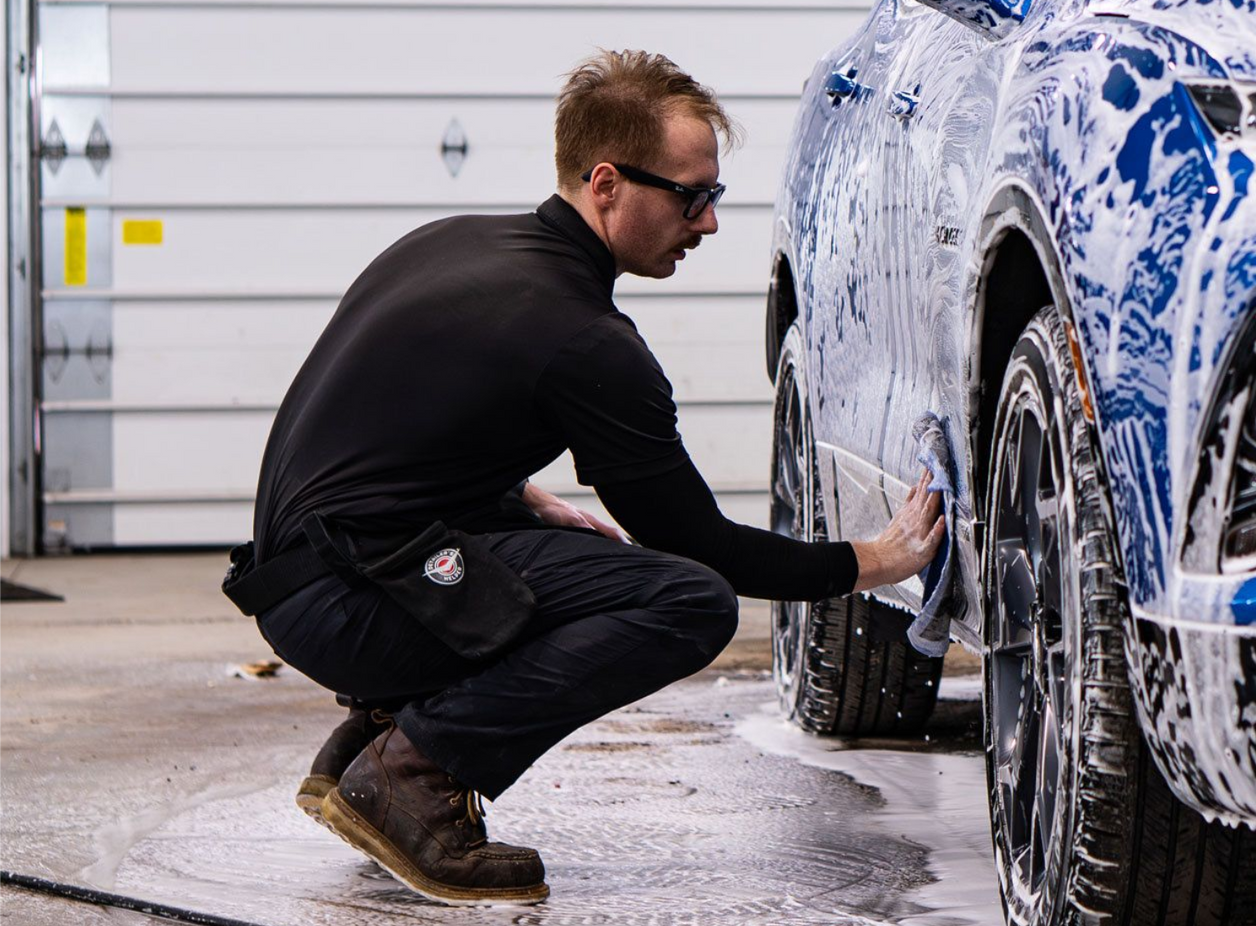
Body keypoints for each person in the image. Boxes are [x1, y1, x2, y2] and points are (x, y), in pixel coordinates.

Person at [221, 49, 945, 906]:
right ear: (607, 183)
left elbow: (376, 435)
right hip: (344, 601)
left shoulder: (454, 244)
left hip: (305, 576)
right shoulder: (584, 341)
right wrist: (873, 560)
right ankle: (413, 774)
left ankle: (366, 747)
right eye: (691, 195)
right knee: (684, 600)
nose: (708, 222)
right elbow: (702, 549)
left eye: (713, 196)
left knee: (576, 552)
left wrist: (518, 499)